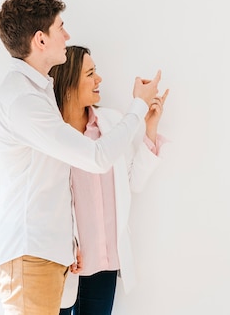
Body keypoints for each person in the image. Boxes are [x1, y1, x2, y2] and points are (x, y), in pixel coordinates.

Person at [0, 0, 161, 315]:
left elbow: (51, 183)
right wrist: (137, 105)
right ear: (41, 40)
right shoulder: (24, 102)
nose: (67, 35)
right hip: (30, 255)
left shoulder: (38, 97)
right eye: (60, 27)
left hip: (47, 254)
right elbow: (95, 158)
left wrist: (67, 243)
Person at [50, 46, 169, 315]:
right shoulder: (51, 134)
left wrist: (150, 128)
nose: (99, 79)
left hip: (105, 262)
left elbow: (133, 183)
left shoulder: (112, 123)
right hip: (63, 263)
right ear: (68, 83)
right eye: (90, 73)